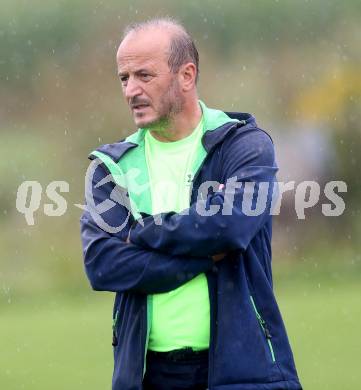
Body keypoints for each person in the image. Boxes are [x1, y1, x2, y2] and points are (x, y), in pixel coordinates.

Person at [80, 17, 302, 390]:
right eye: (124, 78)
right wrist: (203, 257)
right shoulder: (110, 168)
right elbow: (103, 265)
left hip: (245, 372)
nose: (131, 90)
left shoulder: (244, 146)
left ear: (186, 75)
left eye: (144, 76)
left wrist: (143, 232)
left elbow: (229, 227)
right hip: (146, 376)